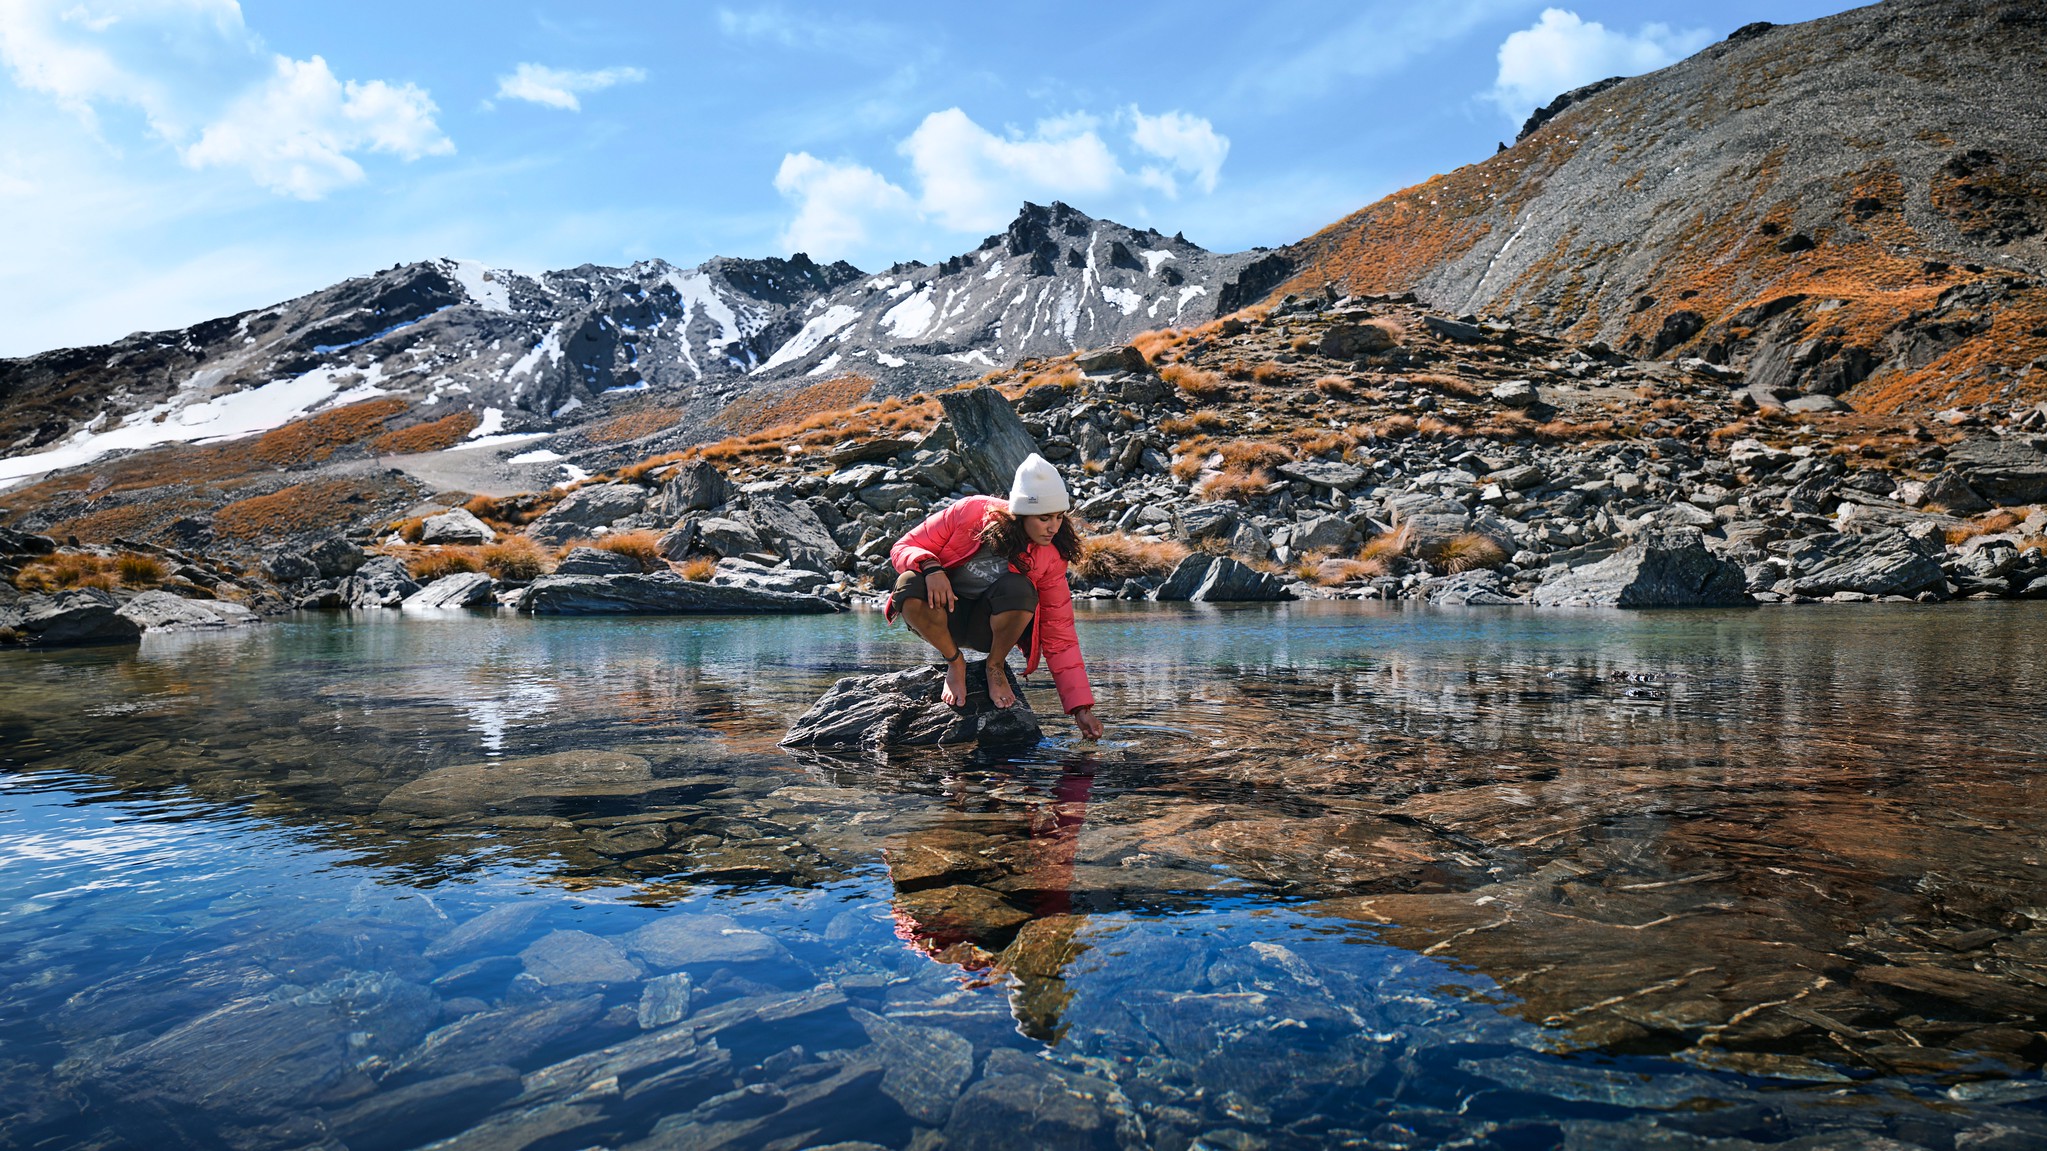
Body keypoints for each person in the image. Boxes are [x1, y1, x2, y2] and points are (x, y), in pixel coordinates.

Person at [886, 453, 1104, 740]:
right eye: (1044, 518)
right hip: (943, 617)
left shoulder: (1051, 556)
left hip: (988, 629)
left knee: (1020, 589)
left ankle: (995, 667)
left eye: (1059, 517)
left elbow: (1059, 631)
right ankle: (955, 661)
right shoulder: (970, 512)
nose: (1054, 527)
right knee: (909, 583)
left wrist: (1080, 707)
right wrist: (930, 565)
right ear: (1021, 513)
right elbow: (904, 546)